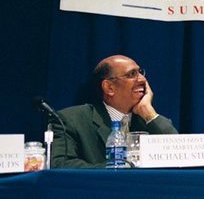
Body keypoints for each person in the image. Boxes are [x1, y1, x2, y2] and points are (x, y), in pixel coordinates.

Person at [50, 54, 178, 168]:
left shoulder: (151, 122)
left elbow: (179, 157)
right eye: (132, 74)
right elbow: (61, 164)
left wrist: (149, 113)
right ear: (109, 87)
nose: (142, 80)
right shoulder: (70, 120)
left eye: (140, 73)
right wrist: (119, 169)